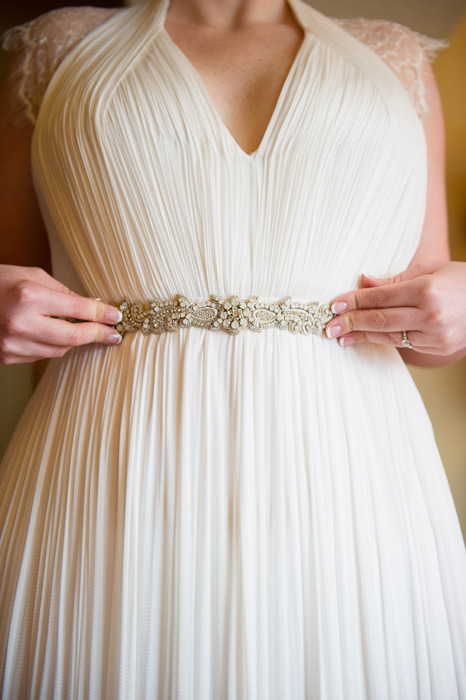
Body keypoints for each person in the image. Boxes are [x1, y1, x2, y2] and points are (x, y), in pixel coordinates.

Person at [1, 0, 466, 697]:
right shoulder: (57, 48)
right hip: (114, 469)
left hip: (351, 478)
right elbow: (17, 283)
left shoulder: (394, 61)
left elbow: (427, 319)